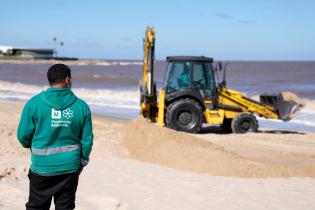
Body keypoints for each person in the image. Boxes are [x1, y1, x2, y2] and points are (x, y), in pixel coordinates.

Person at [17, 63, 93, 210]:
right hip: (70, 168)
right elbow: (87, 140)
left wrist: (32, 147)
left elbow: (23, 136)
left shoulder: (34, 103)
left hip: (41, 167)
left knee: (36, 207)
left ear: (50, 80)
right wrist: (82, 162)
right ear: (67, 80)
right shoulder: (81, 106)